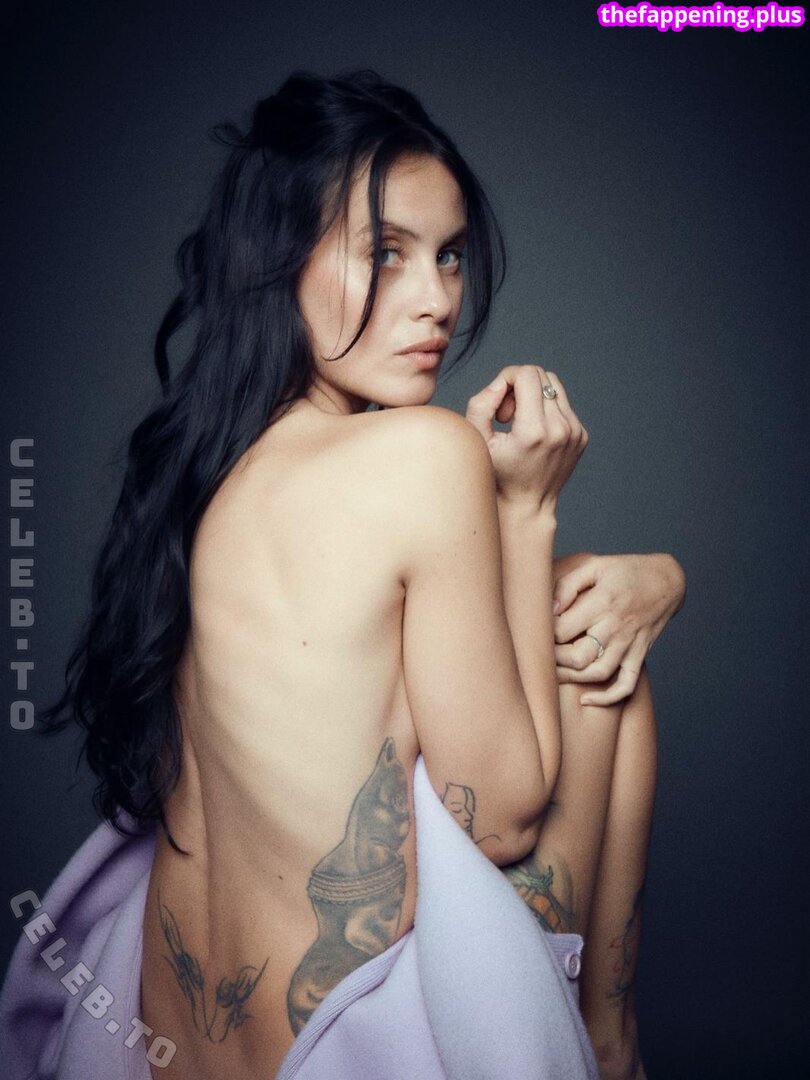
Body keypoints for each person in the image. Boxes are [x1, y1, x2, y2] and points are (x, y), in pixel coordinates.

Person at [0, 70, 685, 1080]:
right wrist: (527, 511)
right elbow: (498, 816)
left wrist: (652, 575)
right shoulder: (424, 454)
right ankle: (613, 1051)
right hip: (343, 1052)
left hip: (154, 1048)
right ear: (278, 260)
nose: (437, 298)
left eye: (449, 256)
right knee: (598, 675)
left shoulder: (204, 477)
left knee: (566, 613)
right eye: (387, 253)